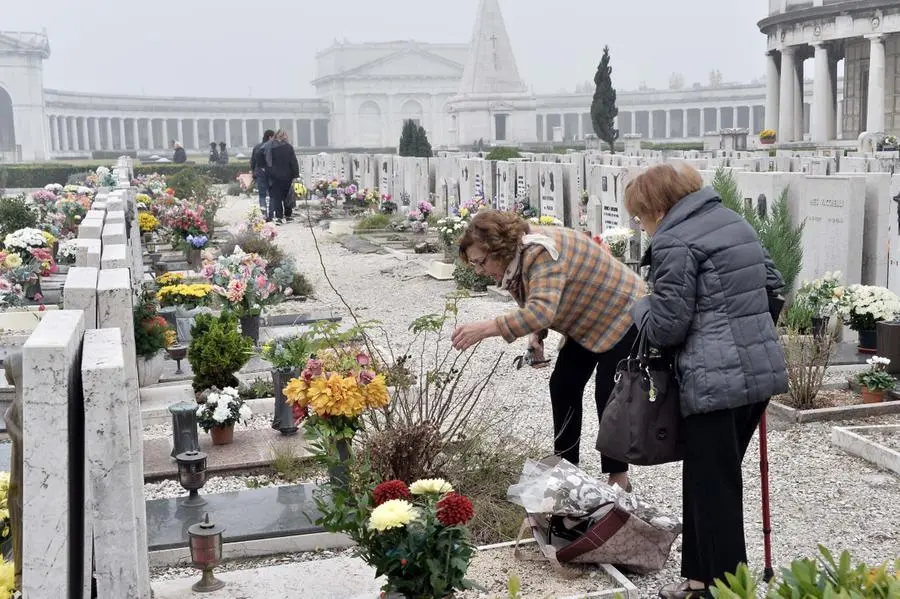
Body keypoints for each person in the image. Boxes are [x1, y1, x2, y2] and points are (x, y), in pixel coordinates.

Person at [625, 163, 788, 598]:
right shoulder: (732, 221)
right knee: (708, 478)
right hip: (755, 374)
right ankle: (698, 580)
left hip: (714, 380)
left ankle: (724, 589)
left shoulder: (675, 239)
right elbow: (774, 287)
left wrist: (639, 307)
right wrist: (746, 334)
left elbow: (666, 328)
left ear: (659, 207)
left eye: (640, 215)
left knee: (715, 491)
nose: (641, 224)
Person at [450, 210, 645, 489]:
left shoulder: (540, 252)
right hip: (587, 317)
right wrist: (536, 335)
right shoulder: (520, 256)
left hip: (622, 311)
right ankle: (566, 471)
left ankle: (619, 479)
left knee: (609, 395)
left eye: (481, 262)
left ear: (498, 247)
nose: (481, 271)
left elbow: (541, 310)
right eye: (475, 266)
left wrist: (485, 328)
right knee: (563, 384)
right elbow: (538, 299)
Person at [265, 129, 299, 224]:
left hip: (274, 175)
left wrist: (269, 173)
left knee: (277, 197)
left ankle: (279, 217)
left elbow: (268, 161)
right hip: (287, 175)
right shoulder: (289, 147)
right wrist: (295, 175)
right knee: (287, 196)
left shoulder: (270, 147)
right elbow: (293, 162)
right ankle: (288, 215)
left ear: (276, 136)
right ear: (285, 137)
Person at [250, 130, 274, 217]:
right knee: (272, 195)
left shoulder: (257, 147)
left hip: (259, 172)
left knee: (262, 195)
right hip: (271, 173)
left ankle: (264, 215)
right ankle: (271, 215)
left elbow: (253, 162)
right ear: (270, 137)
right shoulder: (273, 147)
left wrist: (254, 172)